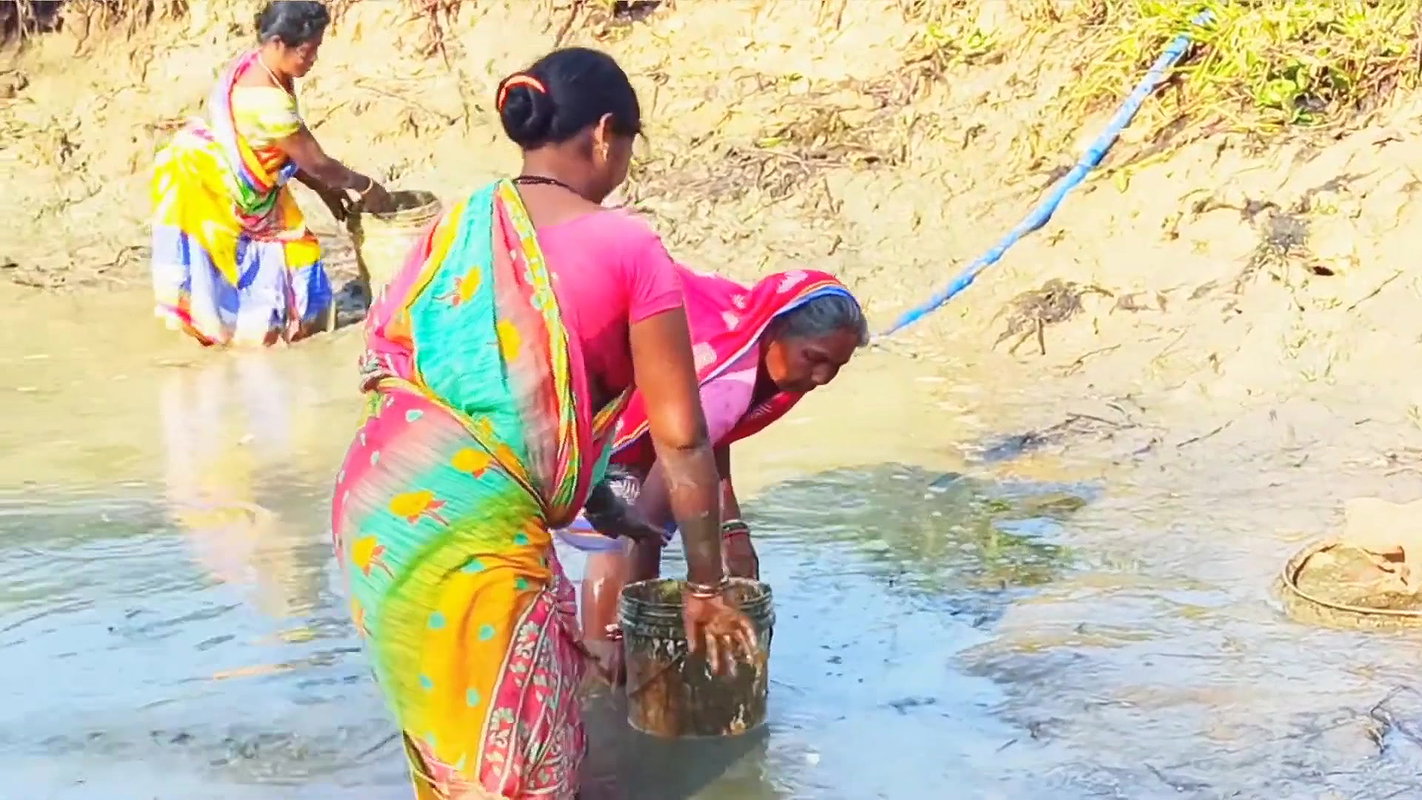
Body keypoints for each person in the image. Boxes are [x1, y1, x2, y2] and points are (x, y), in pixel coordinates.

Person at [329, 47, 757, 800]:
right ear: (602, 135)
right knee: (521, 775)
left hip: (379, 509)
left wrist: (607, 508)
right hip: (473, 532)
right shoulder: (628, 245)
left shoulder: (459, 223)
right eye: (628, 143)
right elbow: (683, 438)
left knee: (462, 759)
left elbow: (496, 394)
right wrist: (704, 586)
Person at [556, 265, 868, 676]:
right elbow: (649, 516)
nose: (823, 378)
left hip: (658, 419)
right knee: (615, 539)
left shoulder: (751, 333)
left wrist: (732, 530)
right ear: (776, 332)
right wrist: (643, 614)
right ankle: (599, 667)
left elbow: (712, 439)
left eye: (836, 367)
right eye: (815, 359)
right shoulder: (731, 381)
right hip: (592, 408)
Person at [151, 0, 393, 347]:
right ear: (279, 43)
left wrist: (325, 188)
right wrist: (364, 185)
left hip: (228, 171)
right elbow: (315, 162)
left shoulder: (257, 64)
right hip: (226, 191)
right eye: (308, 51)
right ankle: (264, 336)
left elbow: (286, 151)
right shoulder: (268, 101)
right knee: (297, 252)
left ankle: (247, 330)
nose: (312, 60)